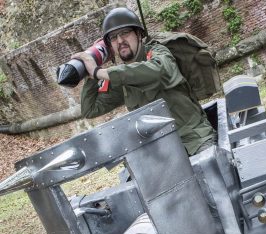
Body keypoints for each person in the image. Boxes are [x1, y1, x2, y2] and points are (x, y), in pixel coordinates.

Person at [72, 7, 215, 156]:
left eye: (125, 33)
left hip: (195, 141)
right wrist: (92, 74)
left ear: (139, 34)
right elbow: (90, 109)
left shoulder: (158, 52)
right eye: (113, 38)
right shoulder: (120, 78)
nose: (120, 41)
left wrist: (98, 72)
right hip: (166, 154)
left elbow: (155, 71)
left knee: (212, 170)